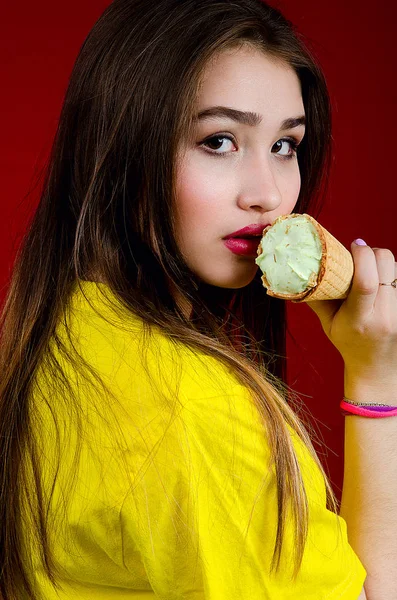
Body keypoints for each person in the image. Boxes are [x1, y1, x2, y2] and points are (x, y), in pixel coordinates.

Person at [1, 0, 396, 598]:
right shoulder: (193, 405)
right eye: (218, 140)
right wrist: (377, 382)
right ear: (124, 146)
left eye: (285, 145)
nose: (268, 195)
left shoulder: (58, 331)